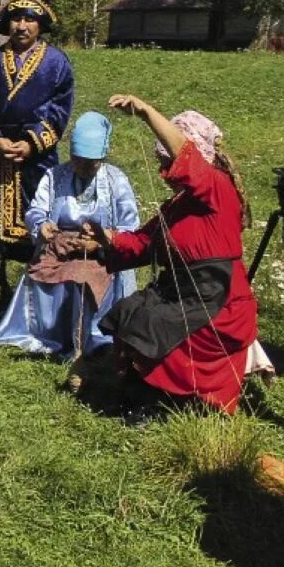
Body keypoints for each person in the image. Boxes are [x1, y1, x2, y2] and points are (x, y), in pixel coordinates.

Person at [86, 98, 258, 415]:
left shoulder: (216, 187)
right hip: (185, 291)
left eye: (165, 159)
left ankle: (164, 401)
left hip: (217, 297)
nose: (162, 168)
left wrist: (147, 112)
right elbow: (141, 242)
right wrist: (102, 237)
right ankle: (147, 394)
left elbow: (185, 153)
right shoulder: (177, 204)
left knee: (152, 322)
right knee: (131, 311)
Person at [0, 111, 139, 359]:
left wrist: (101, 240)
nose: (80, 167)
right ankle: (47, 335)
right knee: (42, 270)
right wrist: (41, 224)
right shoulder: (55, 176)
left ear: (101, 158)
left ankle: (89, 342)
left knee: (81, 278)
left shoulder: (116, 182)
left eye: (89, 162)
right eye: (76, 159)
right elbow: (37, 209)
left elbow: (130, 227)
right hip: (59, 248)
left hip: (101, 254)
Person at [0, 0, 75, 291]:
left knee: (37, 210)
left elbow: (60, 108)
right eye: (16, 18)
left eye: (30, 19)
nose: (22, 25)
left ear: (40, 25)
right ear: (7, 23)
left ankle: (41, 280)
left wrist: (31, 142)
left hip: (37, 158)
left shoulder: (57, 63)